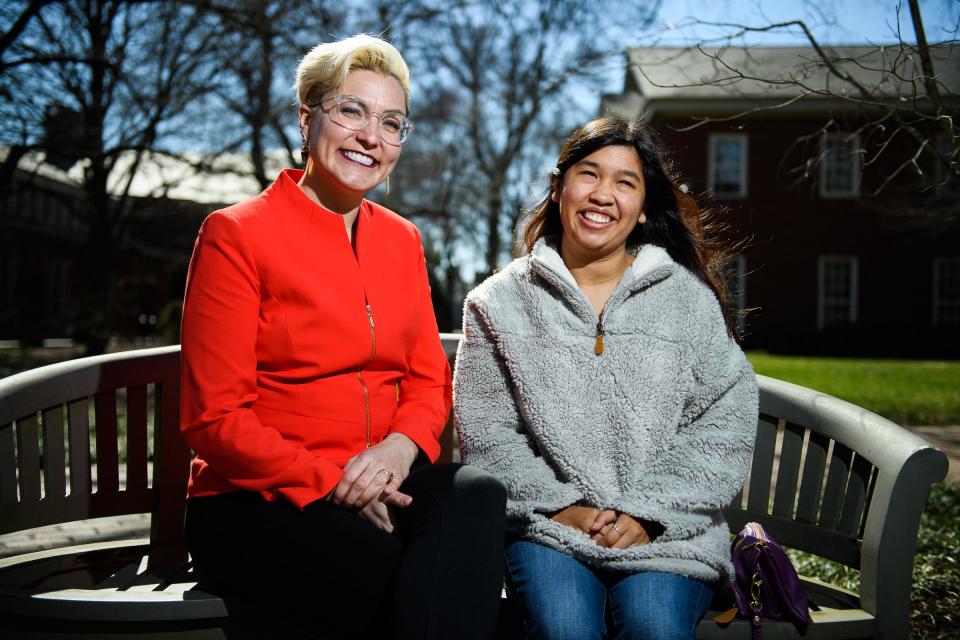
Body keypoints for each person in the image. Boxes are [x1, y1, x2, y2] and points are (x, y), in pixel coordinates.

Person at [179, 34, 505, 640]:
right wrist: (334, 483)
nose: (370, 136)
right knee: (400, 571)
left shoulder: (402, 240)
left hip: (384, 481)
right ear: (307, 118)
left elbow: (428, 376)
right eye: (350, 111)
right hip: (257, 500)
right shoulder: (236, 235)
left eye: (390, 122)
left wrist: (397, 451)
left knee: (475, 495)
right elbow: (214, 417)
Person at [453, 115, 759, 640]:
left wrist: (647, 515)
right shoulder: (497, 304)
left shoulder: (688, 301)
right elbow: (488, 434)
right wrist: (564, 509)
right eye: (589, 174)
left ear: (642, 210)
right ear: (558, 189)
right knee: (564, 627)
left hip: (667, 532)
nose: (602, 195)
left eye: (625, 182)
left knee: (655, 628)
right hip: (546, 529)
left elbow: (723, 423)